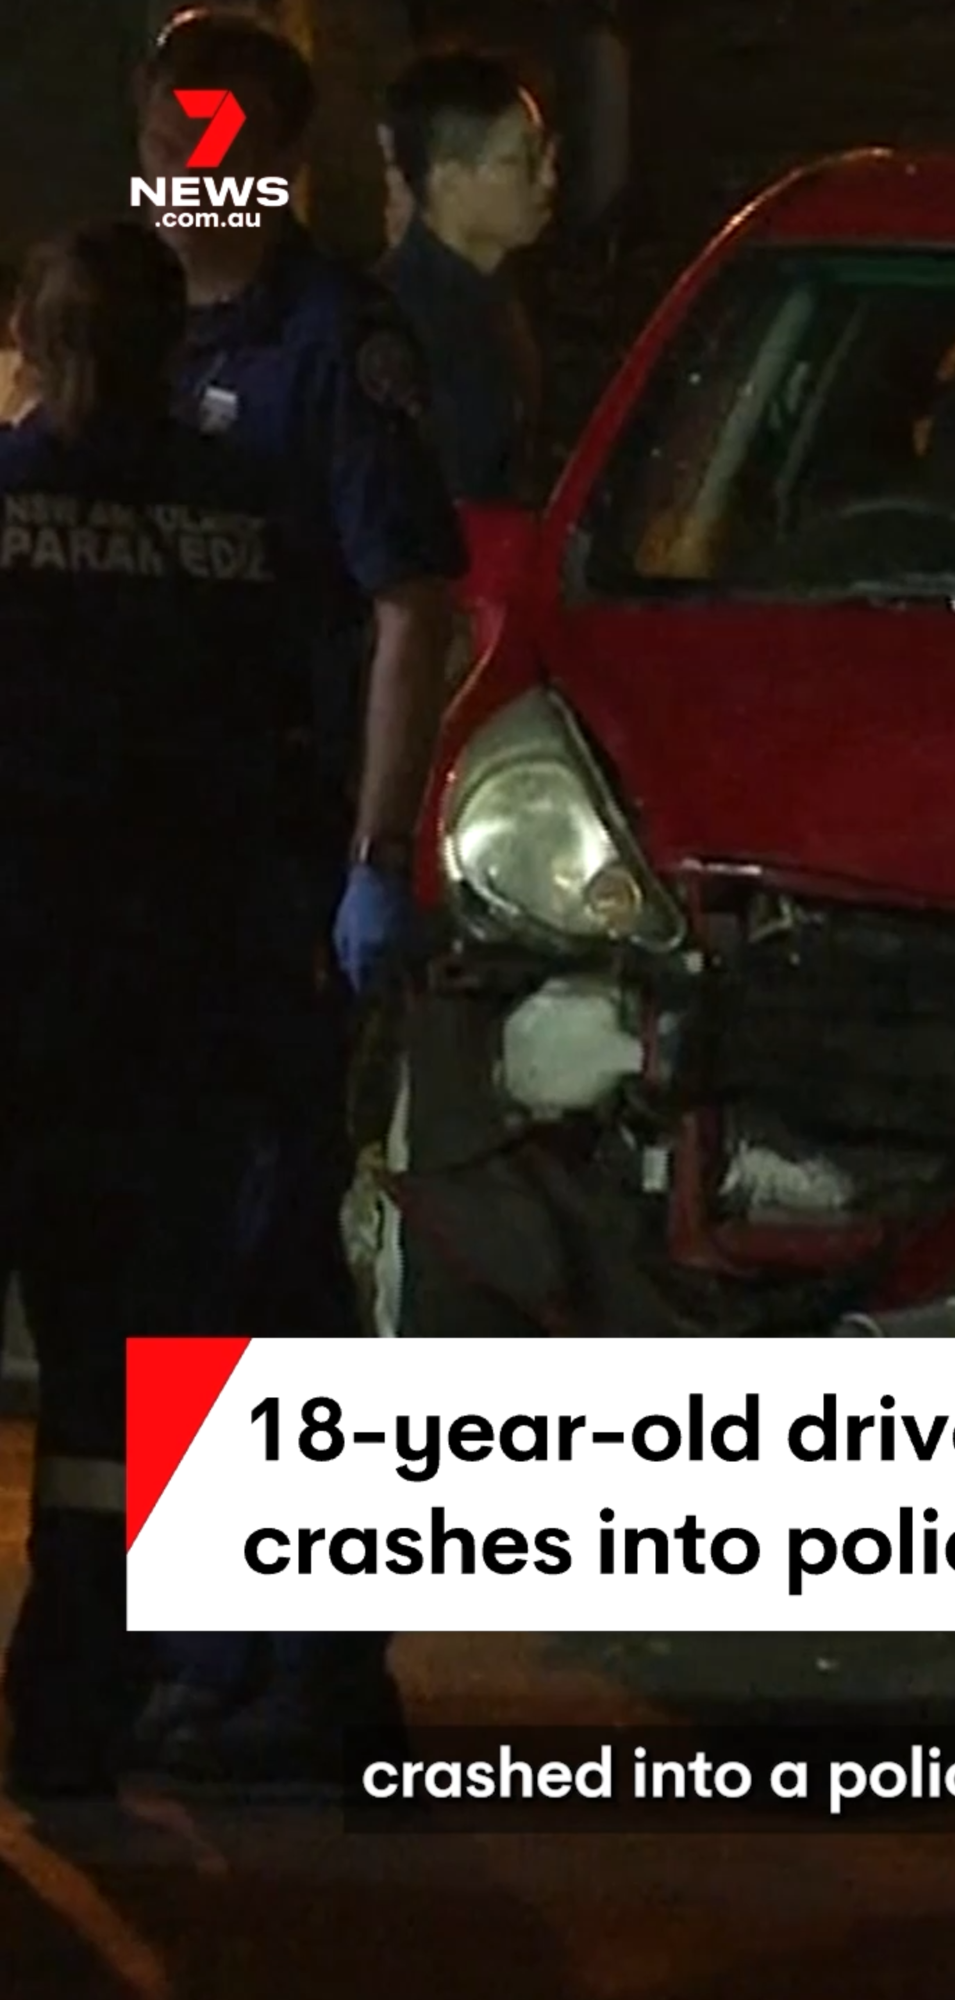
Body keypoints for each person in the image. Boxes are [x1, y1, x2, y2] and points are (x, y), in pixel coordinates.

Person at [131, 7, 469, 1788]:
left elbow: (414, 601)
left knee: (273, 1264)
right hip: (173, 885)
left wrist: (371, 855)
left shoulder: (337, 345)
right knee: (194, 1258)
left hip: (281, 870)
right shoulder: (140, 338)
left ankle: (319, 1671)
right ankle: (214, 1650)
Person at [0, 219, 299, 1799]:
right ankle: (76, 1715)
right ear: (174, 350)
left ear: (32, 346)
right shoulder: (246, 519)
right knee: (118, 1384)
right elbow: (292, 750)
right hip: (164, 1016)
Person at [380, 44, 556, 503]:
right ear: (449, 181)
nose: (548, 180)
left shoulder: (491, 301)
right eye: (520, 161)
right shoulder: (400, 324)